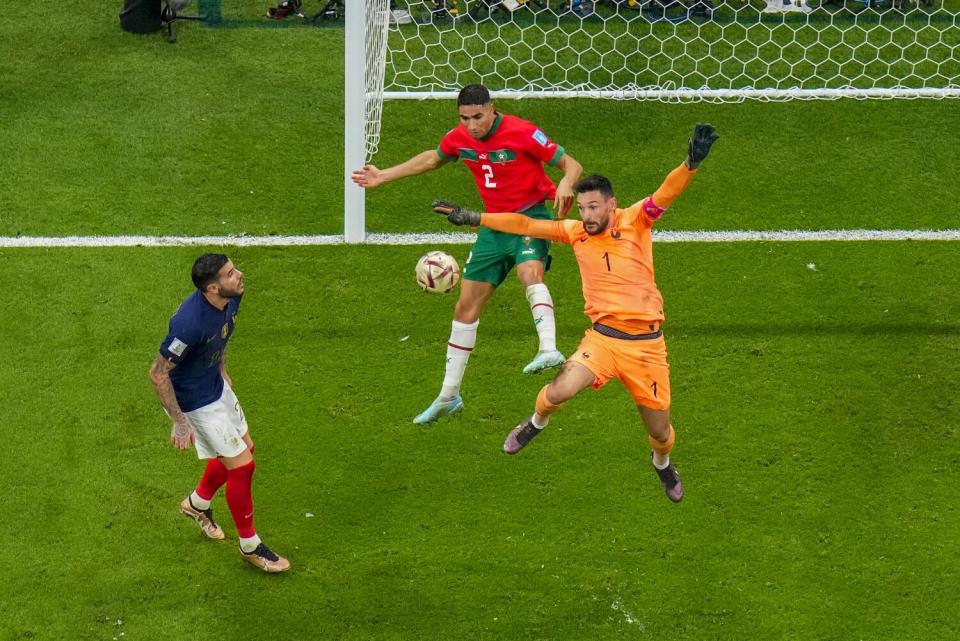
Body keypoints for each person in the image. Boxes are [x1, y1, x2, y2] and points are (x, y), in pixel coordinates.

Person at [433, 123, 719, 502]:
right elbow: (525, 223)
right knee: (559, 389)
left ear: (612, 204)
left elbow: (666, 194)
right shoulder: (575, 232)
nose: (586, 215)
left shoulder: (637, 220)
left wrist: (690, 164)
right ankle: (535, 423)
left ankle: (663, 464)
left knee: (662, 433)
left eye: (593, 207)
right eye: (582, 208)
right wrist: (474, 218)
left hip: (647, 347)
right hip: (603, 340)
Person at [352, 83, 583, 424]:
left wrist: (565, 182)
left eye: (478, 117)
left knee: (529, 273)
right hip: (492, 227)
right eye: (465, 118)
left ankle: (547, 348)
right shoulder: (460, 138)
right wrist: (384, 175)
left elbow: (572, 165)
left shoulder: (524, 132)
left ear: (493, 109)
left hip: (531, 218)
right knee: (465, 307)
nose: (472, 125)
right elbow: (434, 158)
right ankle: (449, 395)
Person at [149, 254, 290, 572]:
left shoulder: (234, 295)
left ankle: (197, 503)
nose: (239, 274)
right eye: (230, 273)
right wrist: (180, 422)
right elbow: (158, 373)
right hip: (194, 401)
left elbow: (224, 332)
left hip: (213, 383)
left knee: (246, 449)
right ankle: (250, 546)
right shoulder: (189, 325)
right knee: (243, 466)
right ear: (213, 287)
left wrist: (222, 366)